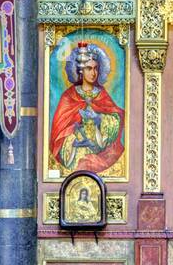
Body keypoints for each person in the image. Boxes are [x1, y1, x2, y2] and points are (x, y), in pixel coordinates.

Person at [49, 40, 124, 174]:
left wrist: (99, 118)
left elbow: (116, 117)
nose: (93, 73)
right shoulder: (69, 96)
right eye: (89, 68)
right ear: (80, 70)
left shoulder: (101, 94)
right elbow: (59, 129)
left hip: (98, 147)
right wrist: (74, 134)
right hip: (75, 147)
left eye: (95, 68)